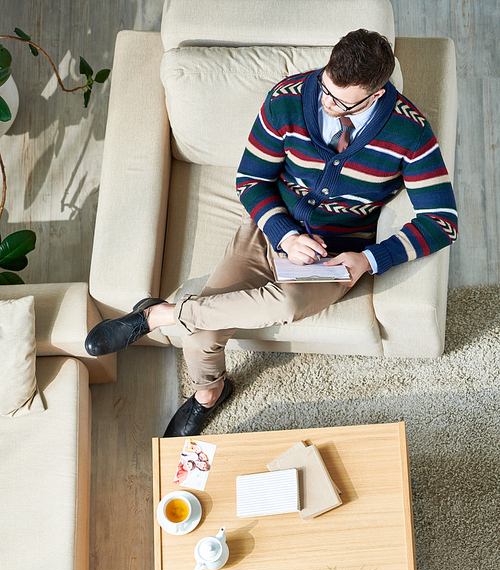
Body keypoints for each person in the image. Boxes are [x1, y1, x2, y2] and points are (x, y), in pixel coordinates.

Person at [85, 29, 458, 437]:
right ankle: (208, 394)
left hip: (336, 253)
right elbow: (251, 180)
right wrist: (284, 235)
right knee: (202, 332)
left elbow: (441, 220)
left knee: (289, 304)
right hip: (269, 229)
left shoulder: (411, 133)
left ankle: (160, 314)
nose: (326, 104)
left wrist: (368, 260)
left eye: (340, 102)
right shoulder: (288, 99)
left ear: (375, 94)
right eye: (325, 91)